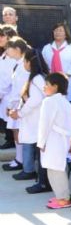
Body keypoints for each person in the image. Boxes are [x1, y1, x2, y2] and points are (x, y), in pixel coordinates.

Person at [11, 49, 50, 197]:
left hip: (38, 121)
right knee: (40, 153)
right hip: (36, 121)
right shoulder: (38, 77)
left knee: (41, 154)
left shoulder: (37, 79)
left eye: (25, 61)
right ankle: (42, 181)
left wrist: (20, 113)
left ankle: (43, 183)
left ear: (29, 62)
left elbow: (35, 100)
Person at [37, 72, 71, 209]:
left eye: (47, 85)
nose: (44, 87)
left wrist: (41, 142)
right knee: (58, 168)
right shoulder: (65, 101)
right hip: (62, 139)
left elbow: (44, 124)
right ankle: (61, 195)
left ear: (55, 86)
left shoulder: (49, 101)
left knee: (54, 170)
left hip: (52, 140)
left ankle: (63, 198)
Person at [2, 36, 28, 171]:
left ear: (17, 49)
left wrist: (10, 105)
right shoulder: (18, 63)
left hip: (19, 105)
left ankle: (21, 160)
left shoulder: (23, 66)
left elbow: (19, 89)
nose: (7, 51)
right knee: (16, 131)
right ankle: (19, 158)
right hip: (16, 104)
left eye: (9, 49)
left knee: (19, 132)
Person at [41, 22, 71, 102]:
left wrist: (63, 76)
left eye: (60, 30)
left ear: (66, 34)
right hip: (51, 83)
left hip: (68, 82)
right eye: (55, 30)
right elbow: (42, 65)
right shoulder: (47, 48)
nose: (57, 32)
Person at [0, 25, 19, 149]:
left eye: (2, 36)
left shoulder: (12, 57)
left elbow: (7, 80)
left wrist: (0, 93)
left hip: (10, 94)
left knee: (14, 125)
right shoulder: (4, 55)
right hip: (4, 94)